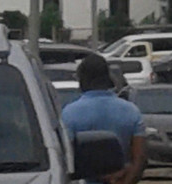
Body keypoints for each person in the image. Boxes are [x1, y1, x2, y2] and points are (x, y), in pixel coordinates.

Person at [61, 53, 146, 184]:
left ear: (82, 79)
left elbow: (66, 160)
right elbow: (139, 158)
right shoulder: (131, 111)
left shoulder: (69, 113)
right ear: (108, 77)